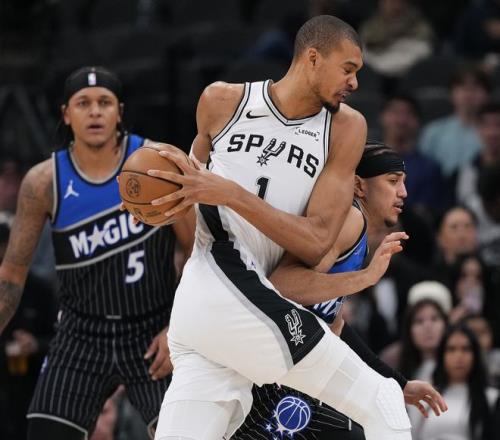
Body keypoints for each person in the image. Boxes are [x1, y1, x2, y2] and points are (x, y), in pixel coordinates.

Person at [149, 16, 445, 440]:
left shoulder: (344, 128)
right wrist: (154, 204)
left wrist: (232, 194)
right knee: (380, 400)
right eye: (348, 69)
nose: (355, 83)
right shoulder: (221, 100)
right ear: (313, 58)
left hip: (231, 313)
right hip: (220, 287)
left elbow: (316, 241)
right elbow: (188, 199)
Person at [0, 66, 195, 439]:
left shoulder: (158, 161)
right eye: (83, 103)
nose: (94, 111)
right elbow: (10, 276)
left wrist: (179, 328)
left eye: (104, 102)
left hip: (153, 328)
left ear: (119, 112)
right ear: (65, 114)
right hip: (80, 333)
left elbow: (199, 252)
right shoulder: (43, 181)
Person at [234, 143, 444, 440]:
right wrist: (364, 278)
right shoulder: (349, 220)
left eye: (404, 182)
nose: (404, 193)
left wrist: (400, 383)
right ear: (359, 186)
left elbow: (336, 327)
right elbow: (282, 284)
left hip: (281, 372)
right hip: (264, 369)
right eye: (393, 181)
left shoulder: (359, 237)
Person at [412, 322, 500, 440]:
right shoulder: (424, 397)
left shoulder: (492, 399)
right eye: (451, 349)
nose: (459, 356)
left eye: (466, 349)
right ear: (442, 355)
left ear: (475, 355)